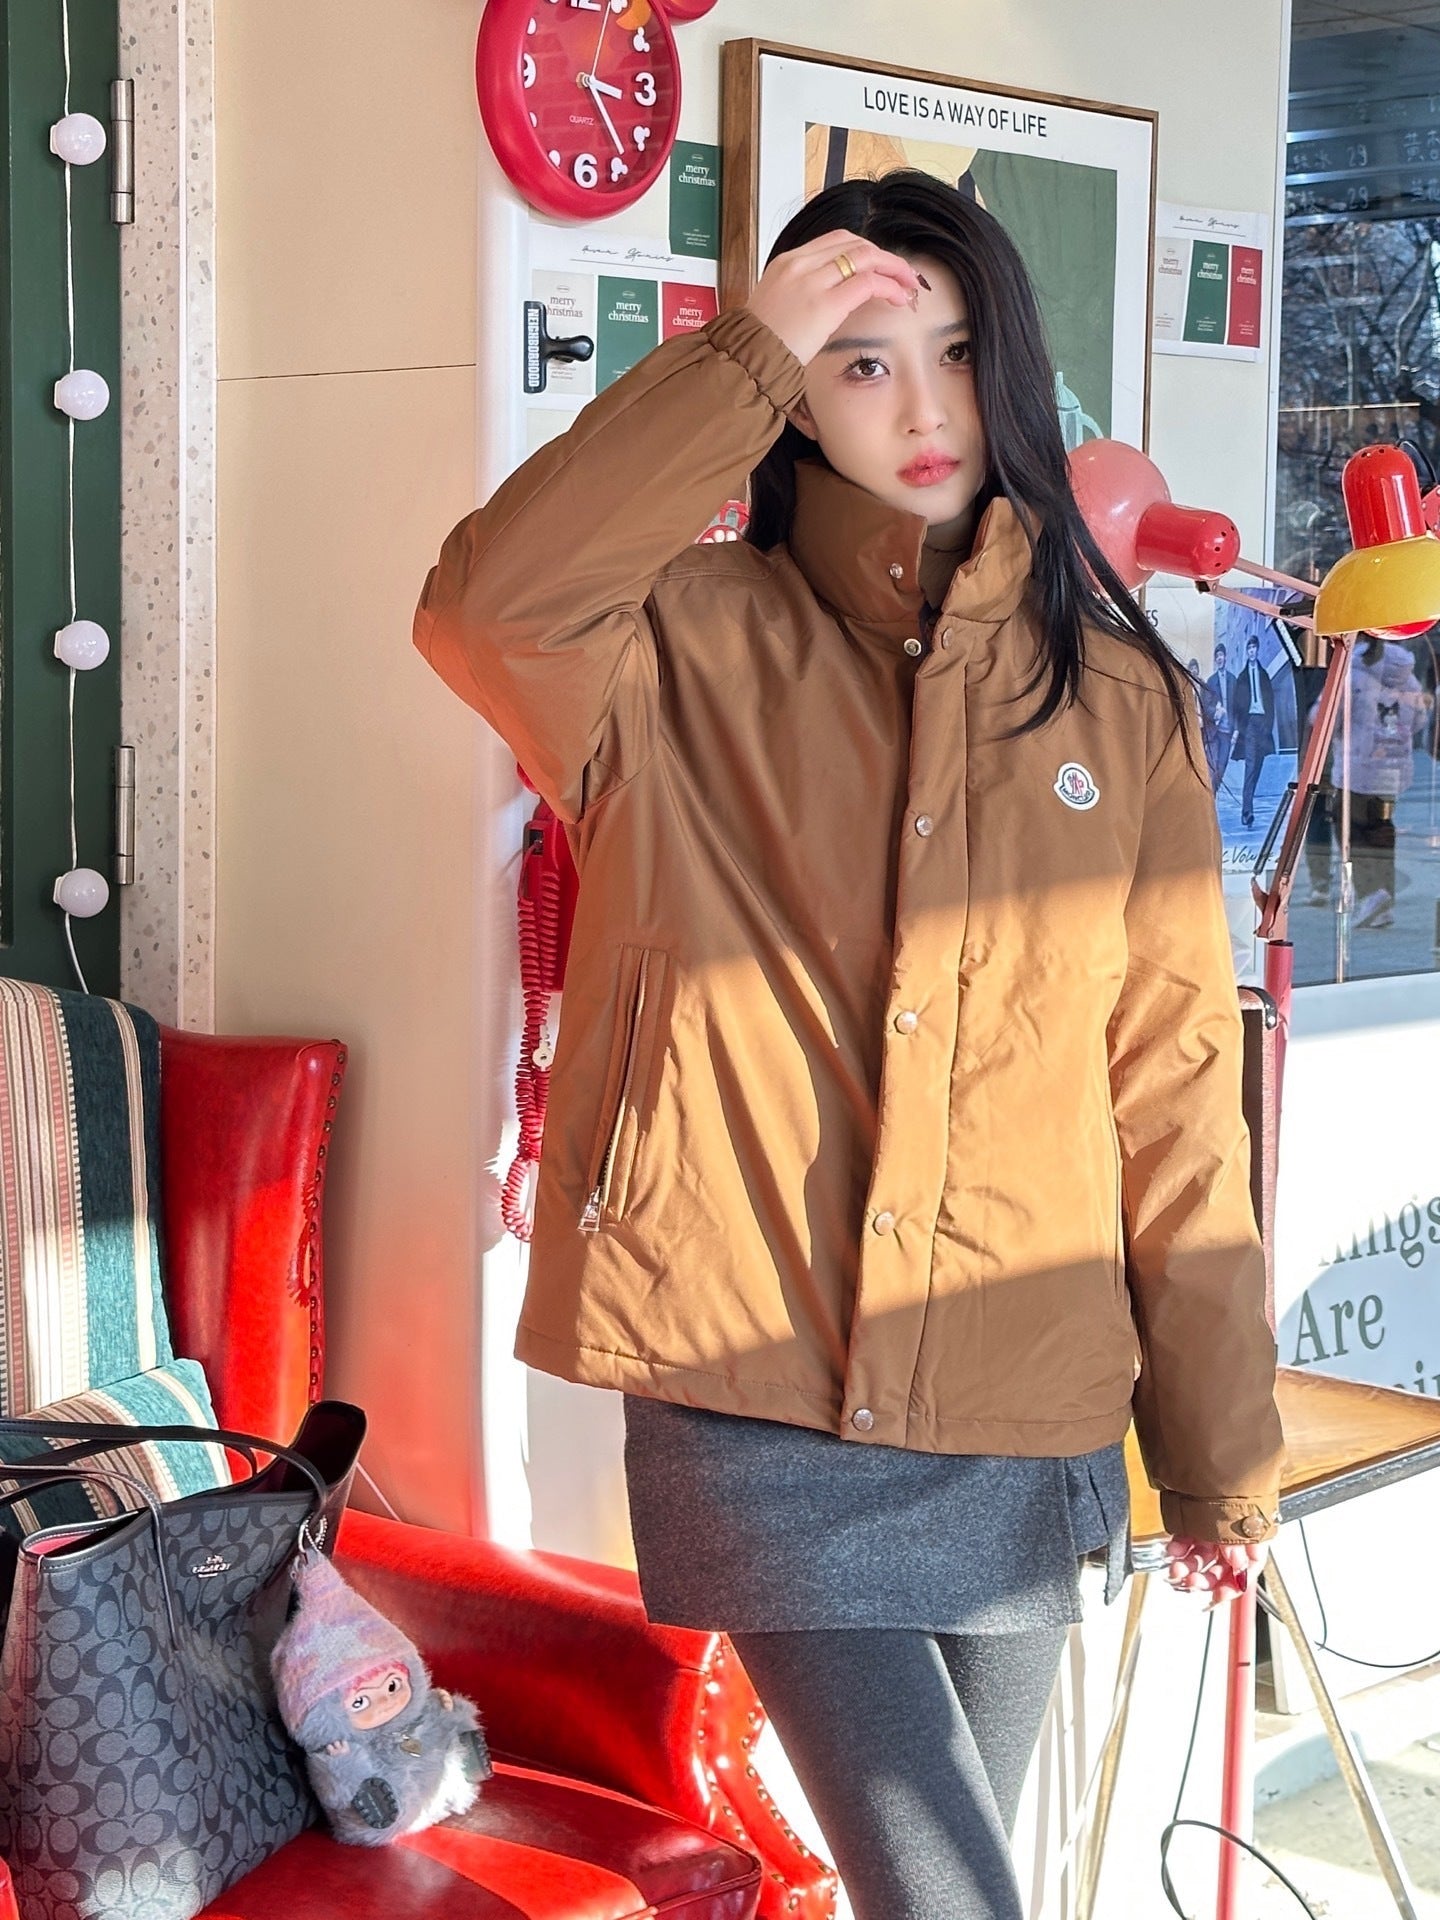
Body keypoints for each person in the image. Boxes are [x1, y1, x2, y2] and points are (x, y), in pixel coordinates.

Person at [414, 172, 1282, 1920]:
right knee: (952, 1900)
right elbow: (486, 607)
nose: (924, 407)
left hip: (1024, 1402)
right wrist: (753, 341)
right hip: (759, 1395)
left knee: (948, 1888)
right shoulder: (672, 647)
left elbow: (1176, 1096)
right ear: (795, 400)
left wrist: (1216, 1451)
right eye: (864, 363)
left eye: (956, 354)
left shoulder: (1122, 702)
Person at [1305, 636, 1432, 927]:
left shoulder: (1351, 673)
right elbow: (1419, 721)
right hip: (1393, 771)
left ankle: (1370, 894)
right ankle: (1383, 898)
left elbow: (1325, 718)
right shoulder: (1407, 675)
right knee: (1382, 830)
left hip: (1357, 770)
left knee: (1351, 832)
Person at [1229, 633, 1276, 827]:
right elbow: (1236, 705)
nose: (1251, 651)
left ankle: (1249, 804)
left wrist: (1268, 725)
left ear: (1257, 650)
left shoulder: (1264, 675)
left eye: (1253, 648)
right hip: (1249, 725)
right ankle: (1247, 811)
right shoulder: (1242, 678)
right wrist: (1238, 728)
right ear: (1246, 651)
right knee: (1249, 766)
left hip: (1262, 724)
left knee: (1257, 766)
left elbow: (1271, 702)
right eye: (1248, 648)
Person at [1205, 641, 1234, 793]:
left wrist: (1237, 730)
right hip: (1215, 731)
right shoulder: (1211, 681)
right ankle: (1212, 795)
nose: (1219, 658)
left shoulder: (1233, 679)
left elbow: (1238, 706)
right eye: (1217, 656)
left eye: (1221, 655)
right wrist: (1216, 711)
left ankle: (1213, 792)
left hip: (1228, 731)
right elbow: (1206, 705)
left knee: (1222, 765)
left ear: (1225, 657)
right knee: (1214, 766)